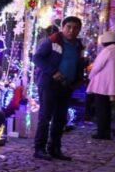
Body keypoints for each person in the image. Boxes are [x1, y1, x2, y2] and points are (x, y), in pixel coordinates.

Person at [31, 16, 85, 161]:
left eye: (75, 28)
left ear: (79, 29)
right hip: (49, 83)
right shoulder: (53, 41)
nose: (72, 31)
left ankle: (55, 148)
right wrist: (53, 72)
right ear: (63, 27)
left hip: (67, 85)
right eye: (69, 27)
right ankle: (39, 148)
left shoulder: (78, 45)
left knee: (60, 118)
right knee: (45, 116)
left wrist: (79, 79)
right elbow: (36, 58)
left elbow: (78, 62)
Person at [85, 32, 115, 140]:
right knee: (106, 108)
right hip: (111, 82)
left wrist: (90, 76)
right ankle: (105, 130)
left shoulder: (108, 50)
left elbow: (97, 66)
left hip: (102, 84)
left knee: (101, 108)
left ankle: (102, 132)